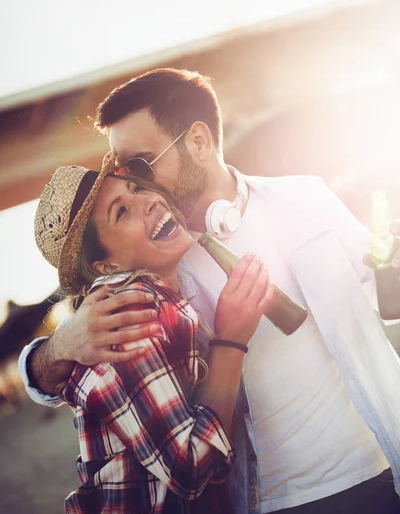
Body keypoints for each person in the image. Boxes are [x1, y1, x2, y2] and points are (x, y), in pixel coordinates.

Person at [20, 69, 400, 514]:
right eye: (122, 171)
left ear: (198, 141)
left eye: (138, 167)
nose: (139, 185)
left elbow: (386, 300)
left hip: (379, 466)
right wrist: (61, 345)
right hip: (270, 502)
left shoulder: (306, 196)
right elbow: (81, 381)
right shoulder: (158, 268)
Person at [32, 151, 273, 513]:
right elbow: (192, 468)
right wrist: (232, 338)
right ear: (107, 265)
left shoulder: (158, 299)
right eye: (121, 211)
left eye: (137, 189)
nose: (148, 201)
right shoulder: (126, 315)